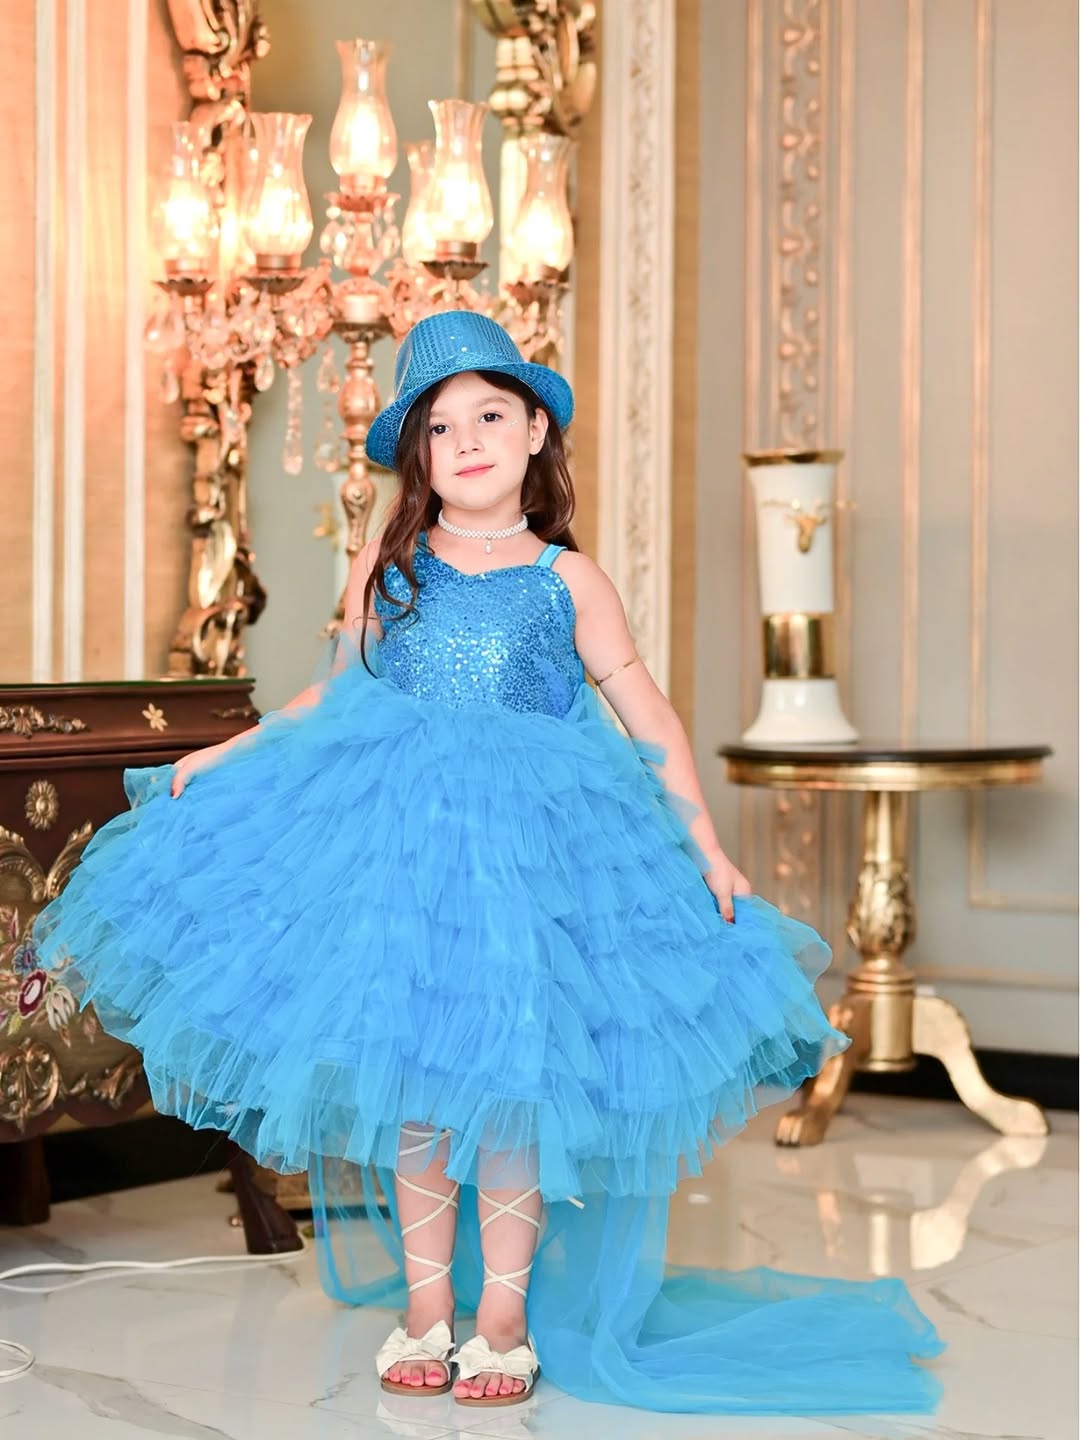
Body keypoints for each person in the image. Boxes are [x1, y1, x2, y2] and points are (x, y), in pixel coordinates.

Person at [32, 311, 943, 1414]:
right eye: (440, 425)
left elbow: (647, 717)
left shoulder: (568, 579)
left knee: (511, 1084)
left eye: (491, 416)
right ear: (418, 455)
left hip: (531, 868)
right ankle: (428, 1306)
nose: (466, 440)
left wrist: (706, 848)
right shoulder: (393, 565)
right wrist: (229, 752)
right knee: (420, 1083)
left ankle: (500, 1316)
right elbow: (335, 697)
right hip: (407, 859)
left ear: (535, 434)